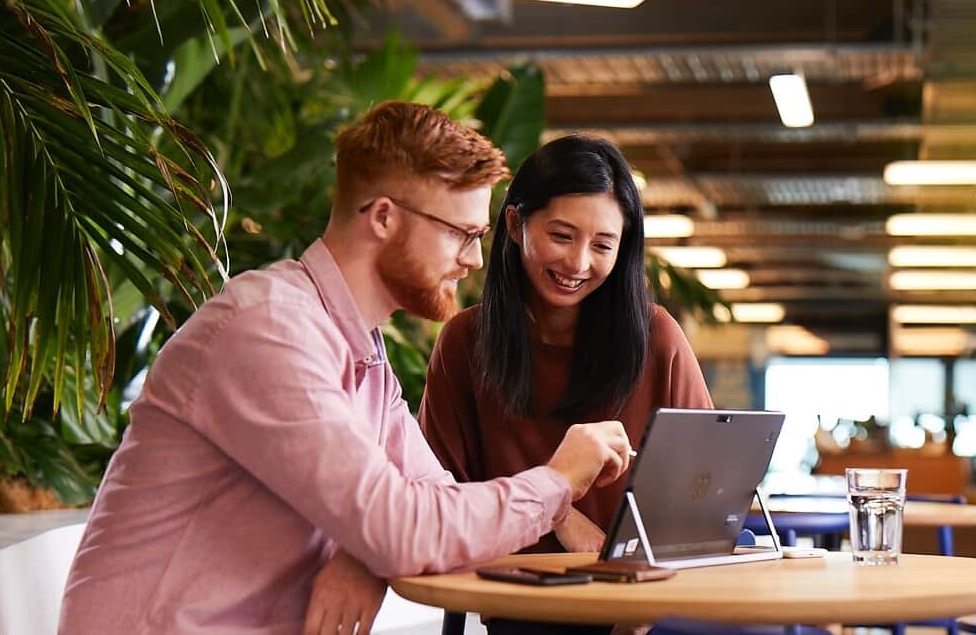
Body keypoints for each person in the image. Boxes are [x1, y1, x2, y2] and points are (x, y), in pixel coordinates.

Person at [58, 103, 632, 635]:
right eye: (461, 234)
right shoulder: (267, 331)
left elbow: (430, 505)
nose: (475, 259)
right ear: (383, 217)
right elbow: (405, 525)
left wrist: (369, 551)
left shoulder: (364, 353)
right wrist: (558, 481)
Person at [418, 136, 712, 635]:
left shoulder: (657, 337)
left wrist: (634, 613)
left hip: (650, 609)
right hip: (525, 608)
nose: (578, 264)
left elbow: (705, 492)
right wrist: (559, 512)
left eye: (602, 245)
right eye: (561, 235)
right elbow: (439, 498)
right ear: (514, 223)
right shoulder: (465, 342)